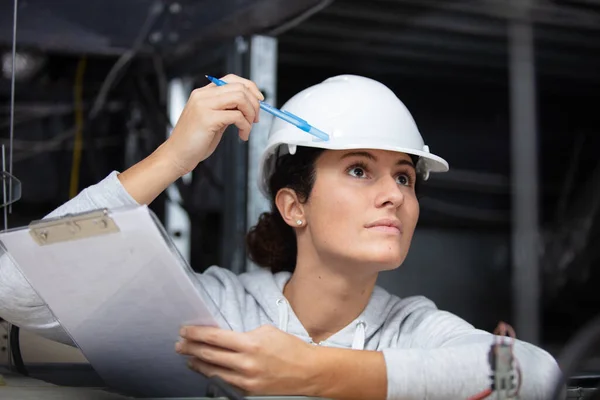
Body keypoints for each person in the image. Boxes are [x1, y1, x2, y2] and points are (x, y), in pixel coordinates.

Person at [0, 74, 561, 399]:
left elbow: (533, 376)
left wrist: (312, 372)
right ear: (294, 206)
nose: (394, 194)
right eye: (360, 170)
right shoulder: (217, 313)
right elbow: (13, 288)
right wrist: (173, 156)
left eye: (405, 176)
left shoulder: (411, 328)